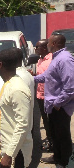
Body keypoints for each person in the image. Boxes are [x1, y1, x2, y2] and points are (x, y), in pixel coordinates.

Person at [35, 34, 74, 167]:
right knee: (56, 134)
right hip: (53, 105)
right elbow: (47, 76)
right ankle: (57, 157)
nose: (47, 45)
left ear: (55, 43)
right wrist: (31, 78)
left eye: (49, 43)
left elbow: (70, 87)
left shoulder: (65, 59)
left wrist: (58, 103)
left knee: (62, 135)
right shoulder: (56, 58)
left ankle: (65, 161)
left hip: (60, 106)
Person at [0, 49, 33, 168]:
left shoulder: (17, 89)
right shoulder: (9, 84)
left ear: (0, 65)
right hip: (9, 148)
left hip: (16, 153)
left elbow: (23, 124)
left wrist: (9, 155)